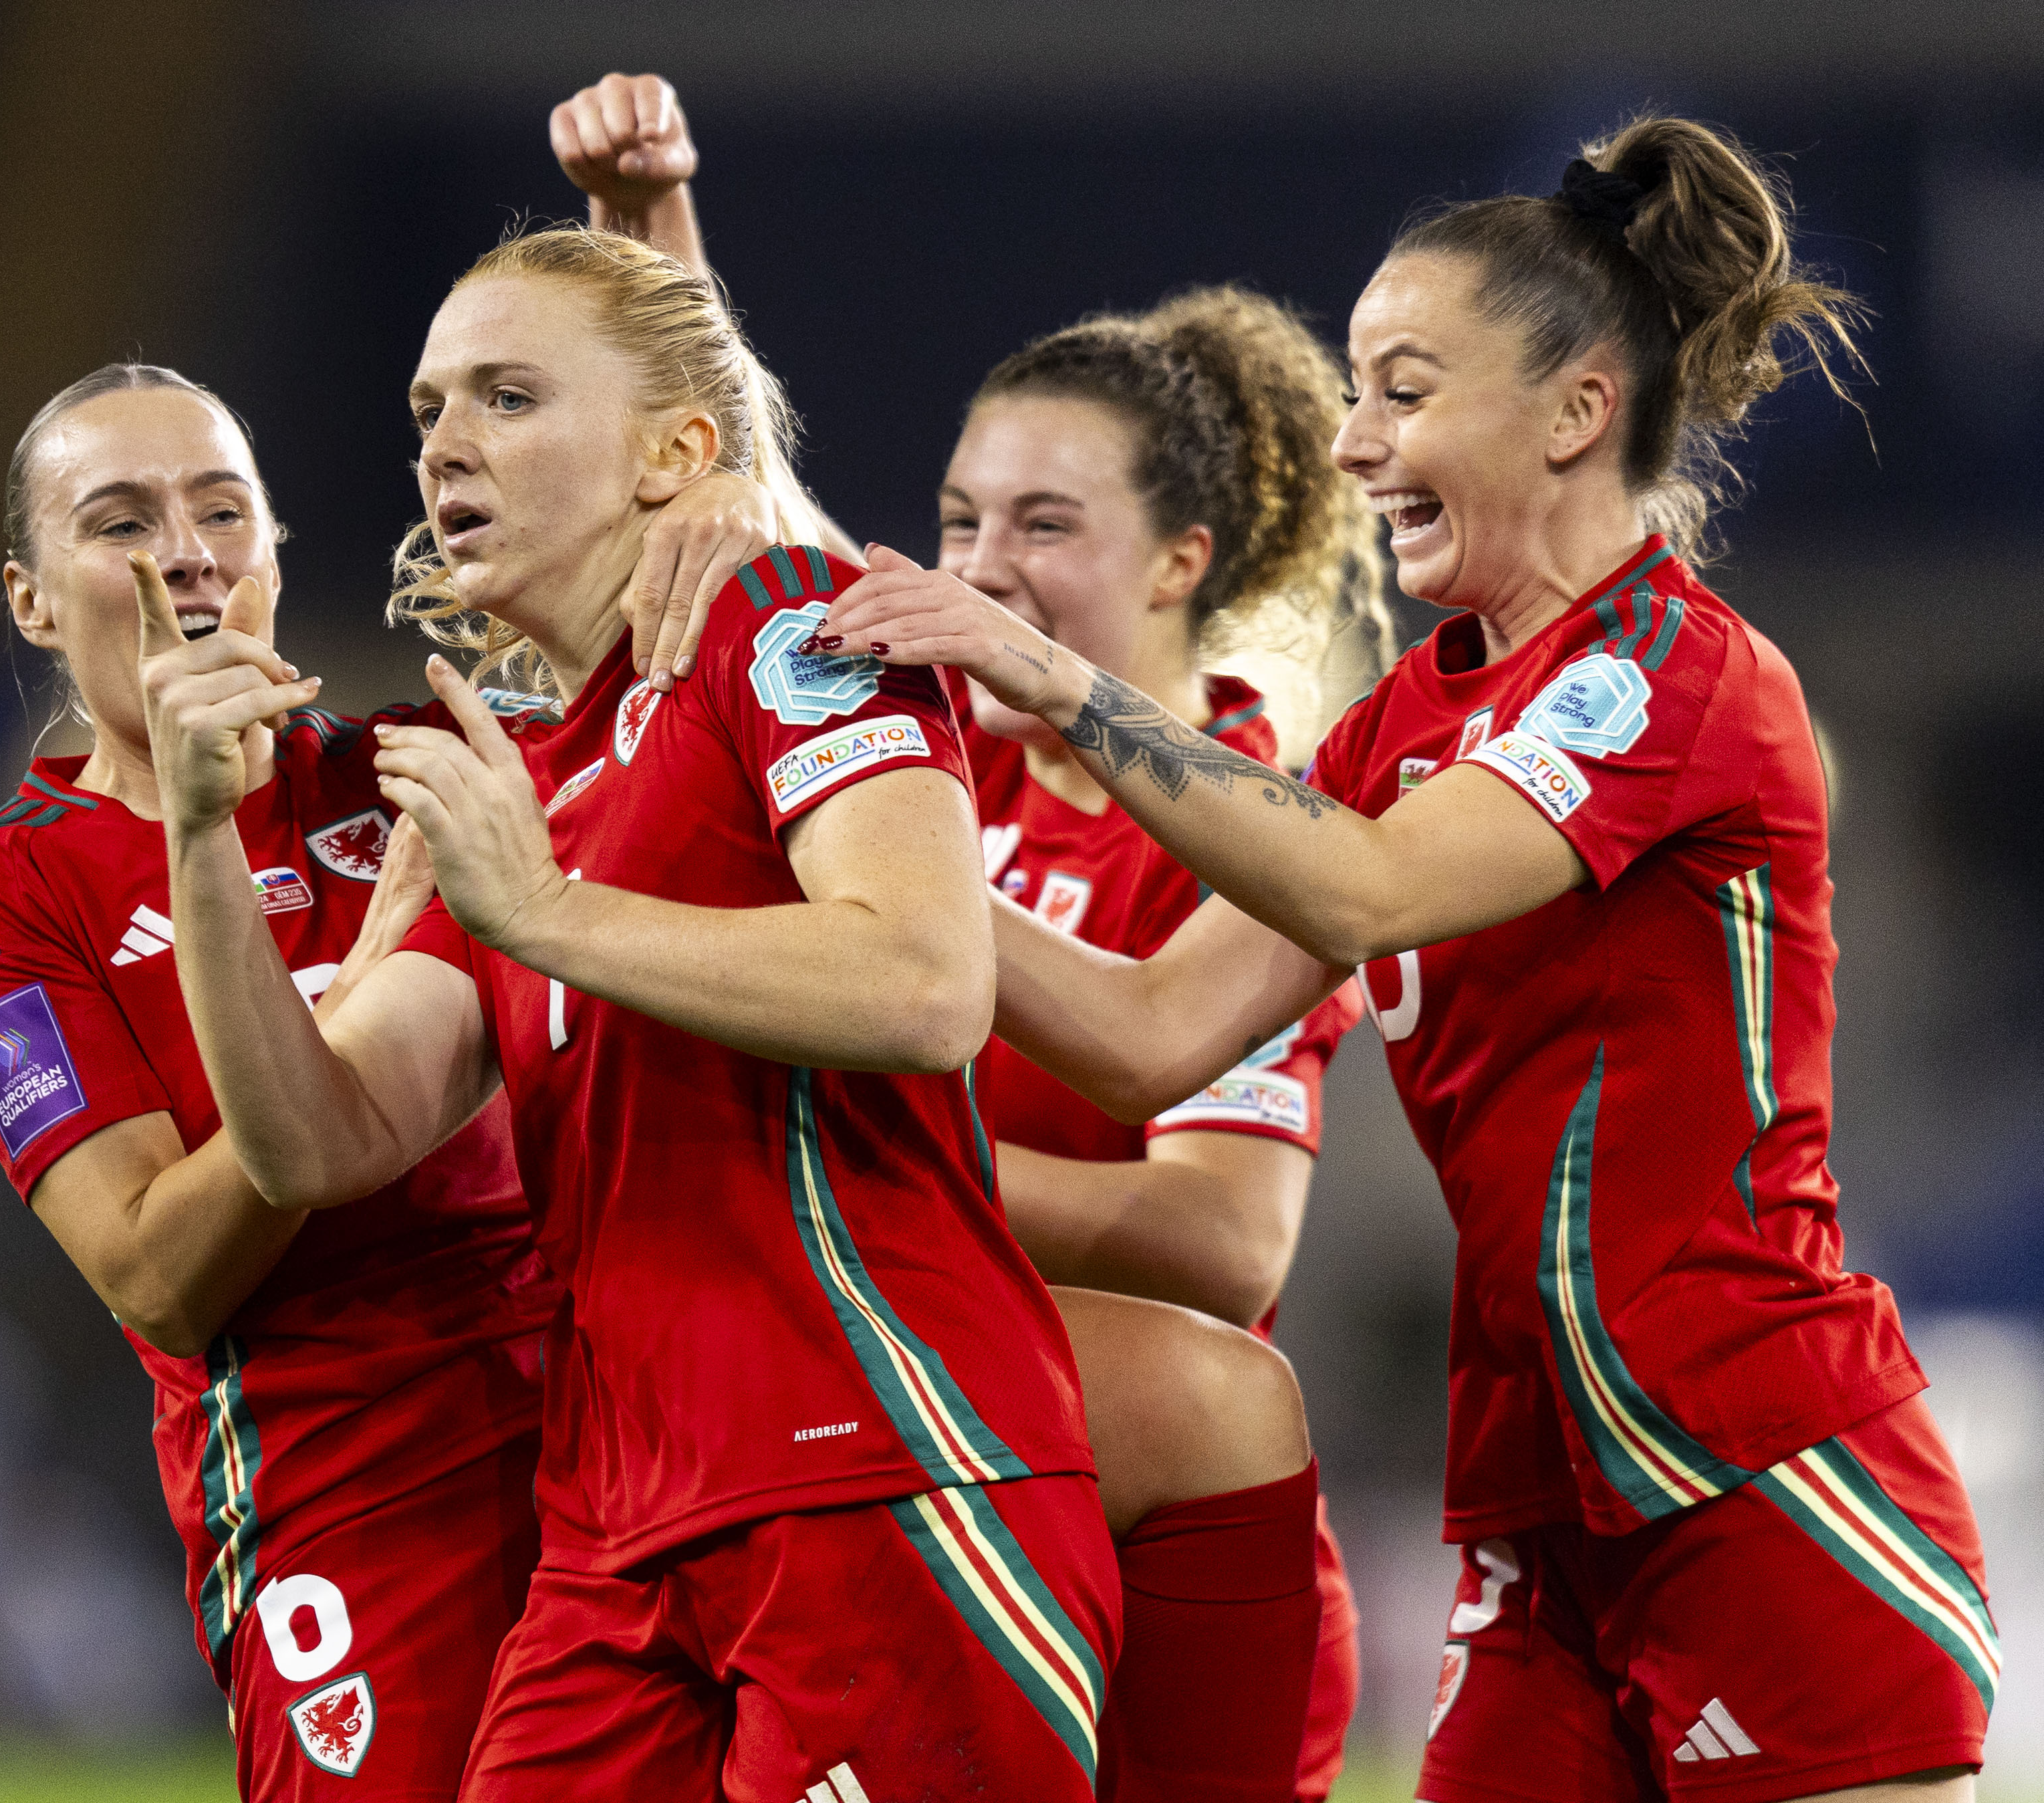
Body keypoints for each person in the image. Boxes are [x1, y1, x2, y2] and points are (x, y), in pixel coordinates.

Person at [815, 116, 1997, 1802]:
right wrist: (860, 864)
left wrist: (1063, 681)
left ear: (1579, 409)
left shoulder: (1672, 672)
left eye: (1404, 388)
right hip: (1540, 1509)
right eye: (1359, 390)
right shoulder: (1411, 717)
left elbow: (1360, 890)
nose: (1358, 443)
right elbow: (1150, 1029)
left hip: (1751, 1471)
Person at [144, 226, 1118, 1798]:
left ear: (674, 451)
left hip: (875, 1469)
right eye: (427, 411)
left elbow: (929, 981)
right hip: (614, 1533)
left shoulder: (788, 619)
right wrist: (199, 845)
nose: (445, 444)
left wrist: (545, 915)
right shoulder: (516, 774)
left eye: (509, 397)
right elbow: (320, 1140)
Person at [552, 72, 1368, 1798]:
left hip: (1134, 1504)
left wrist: (872, 1172)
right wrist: (651, 228)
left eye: (1043, 528)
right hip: (894, 1430)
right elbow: (754, 547)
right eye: (955, 521)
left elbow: (1222, 1244)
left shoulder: (1255, 832)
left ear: (1177, 565)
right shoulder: (911, 756)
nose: (978, 570)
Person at [0, 361, 778, 1797]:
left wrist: (731, 484)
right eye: (120, 520)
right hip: (354, 1489)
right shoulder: (13, 890)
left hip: (624, 1432)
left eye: (221, 511)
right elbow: (155, 1276)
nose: (185, 551)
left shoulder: (419, 769)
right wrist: (345, 1026)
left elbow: (691, 655)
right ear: (32, 598)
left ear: (269, 558)